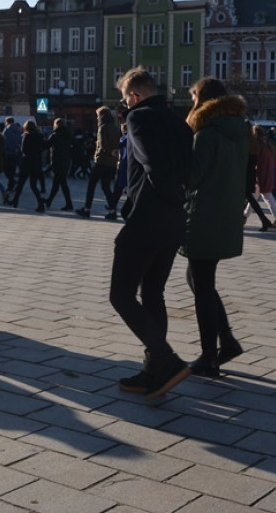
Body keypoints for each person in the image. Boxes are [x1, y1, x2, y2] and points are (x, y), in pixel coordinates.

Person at [110, 67, 193, 400]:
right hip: (174, 220)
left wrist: (166, 196)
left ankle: (166, 360)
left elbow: (152, 165)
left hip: (148, 218)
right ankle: (154, 371)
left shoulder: (139, 118)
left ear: (133, 96)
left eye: (124, 100)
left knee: (121, 295)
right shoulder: (178, 120)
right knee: (153, 292)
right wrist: (180, 201)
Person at [181, 77, 247, 377]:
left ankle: (209, 355)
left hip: (205, 215)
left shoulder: (206, 135)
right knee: (199, 279)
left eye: (193, 98)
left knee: (201, 283)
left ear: (202, 101)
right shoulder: (239, 130)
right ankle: (228, 341)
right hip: (226, 212)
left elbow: (191, 177)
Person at [75, 106, 121, 220]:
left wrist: (108, 151)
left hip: (102, 160)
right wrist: (114, 152)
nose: (97, 118)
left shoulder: (102, 128)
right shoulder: (115, 127)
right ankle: (112, 211)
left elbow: (103, 144)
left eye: (98, 116)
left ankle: (86, 209)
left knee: (91, 185)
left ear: (102, 116)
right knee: (106, 187)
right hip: (112, 162)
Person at [245, 125, 276, 229]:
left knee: (266, 196)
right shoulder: (268, 144)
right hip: (268, 172)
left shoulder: (258, 145)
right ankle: (244, 216)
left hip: (260, 174)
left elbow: (256, 160)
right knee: (254, 197)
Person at [9, 120, 45, 212]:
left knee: (20, 184)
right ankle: (40, 204)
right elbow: (42, 148)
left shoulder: (26, 136)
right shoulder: (40, 136)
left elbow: (23, 150)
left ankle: (15, 201)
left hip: (27, 163)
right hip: (36, 163)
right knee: (33, 185)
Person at [242, 124, 272, 232]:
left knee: (248, 198)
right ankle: (264, 219)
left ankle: (263, 219)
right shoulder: (254, 143)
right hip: (251, 174)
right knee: (250, 198)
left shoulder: (245, 143)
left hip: (244, 174)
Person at [43, 117, 74, 211]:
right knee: (58, 183)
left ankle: (68, 204)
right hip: (66, 161)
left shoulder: (54, 135)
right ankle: (49, 201)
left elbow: (46, 146)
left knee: (61, 184)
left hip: (57, 161)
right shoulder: (68, 134)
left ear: (56, 125)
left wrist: (44, 139)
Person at [2, 116, 22, 189]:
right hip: (16, 152)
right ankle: (11, 184)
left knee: (6, 169)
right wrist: (17, 148)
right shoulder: (18, 129)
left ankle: (12, 182)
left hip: (8, 152)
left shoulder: (6, 129)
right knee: (13, 169)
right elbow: (20, 139)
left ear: (7, 122)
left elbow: (5, 141)